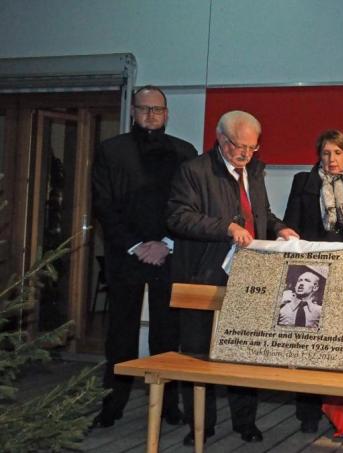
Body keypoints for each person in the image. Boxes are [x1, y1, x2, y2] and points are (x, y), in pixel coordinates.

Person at [166, 110, 298, 446]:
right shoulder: (193, 170)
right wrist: (224, 227)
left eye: (253, 149)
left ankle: (246, 422)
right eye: (239, 147)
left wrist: (279, 227)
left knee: (244, 352)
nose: (245, 155)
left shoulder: (253, 170)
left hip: (248, 276)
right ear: (221, 139)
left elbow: (259, 212)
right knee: (198, 354)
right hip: (203, 276)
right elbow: (179, 218)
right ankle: (201, 424)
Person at [91, 85, 197, 428]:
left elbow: (189, 206)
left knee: (168, 334)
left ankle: (169, 407)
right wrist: (137, 245)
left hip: (170, 254)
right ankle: (112, 404)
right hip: (126, 255)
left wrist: (166, 242)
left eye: (158, 109)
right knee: (120, 333)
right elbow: (104, 206)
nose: (151, 115)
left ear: (166, 114)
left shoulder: (185, 152)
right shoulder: (110, 151)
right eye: (144, 108)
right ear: (133, 111)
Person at [282, 129, 343, 432]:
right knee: (307, 346)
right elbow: (291, 224)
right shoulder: (303, 182)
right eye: (325, 153)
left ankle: (340, 413)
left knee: (339, 345)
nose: (331, 159)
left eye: (337, 153)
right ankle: (307, 415)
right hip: (310, 270)